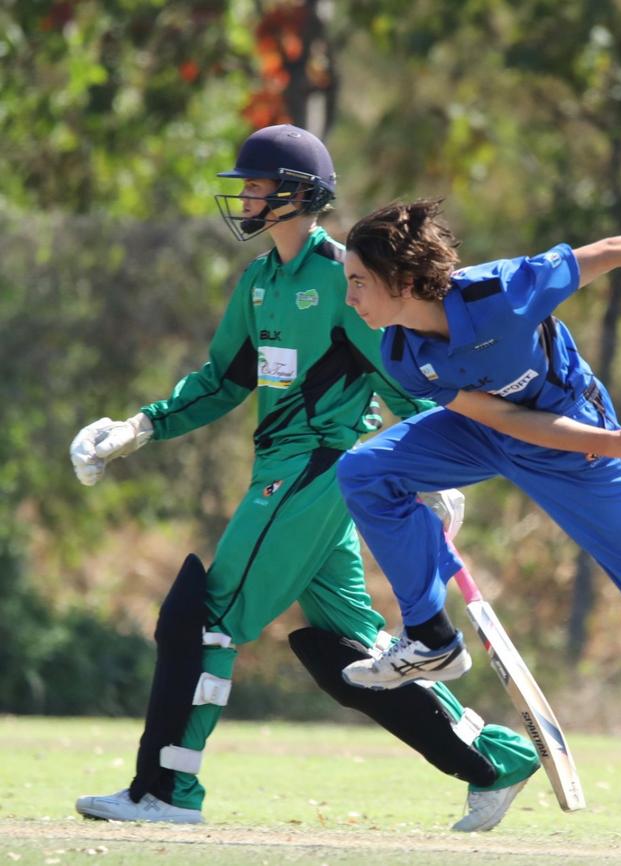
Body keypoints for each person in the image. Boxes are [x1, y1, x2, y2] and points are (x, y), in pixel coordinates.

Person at [69, 129, 543, 833]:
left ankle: (167, 788)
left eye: (258, 185)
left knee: (207, 618)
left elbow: (405, 378)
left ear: (297, 193)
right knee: (355, 654)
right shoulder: (260, 284)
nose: (246, 197)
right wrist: (137, 428)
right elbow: (221, 382)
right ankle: (495, 760)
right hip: (284, 470)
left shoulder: (339, 279)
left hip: (317, 467)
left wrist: (434, 473)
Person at [335, 198, 621, 691]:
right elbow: (497, 417)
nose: (350, 298)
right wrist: (617, 443)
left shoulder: (503, 292)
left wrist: (614, 443)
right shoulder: (401, 355)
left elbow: (609, 251)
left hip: (571, 433)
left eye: (358, 282)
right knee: (364, 473)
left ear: (404, 281)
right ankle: (430, 638)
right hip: (487, 433)